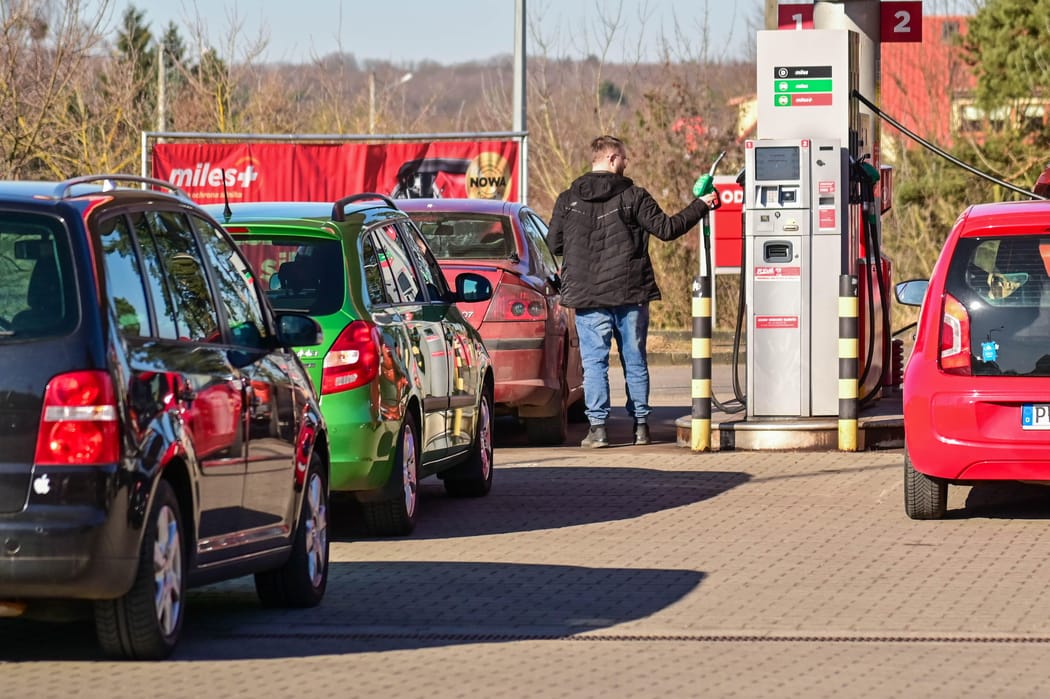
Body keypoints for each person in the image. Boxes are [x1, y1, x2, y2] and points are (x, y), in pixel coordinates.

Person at [547, 135, 720, 448]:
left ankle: (598, 430)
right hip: (630, 293)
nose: (627, 164)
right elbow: (667, 230)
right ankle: (641, 427)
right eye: (624, 158)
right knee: (635, 359)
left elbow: (553, 245)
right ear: (612, 159)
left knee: (595, 363)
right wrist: (701, 205)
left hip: (588, 297)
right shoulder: (634, 196)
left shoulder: (567, 199)